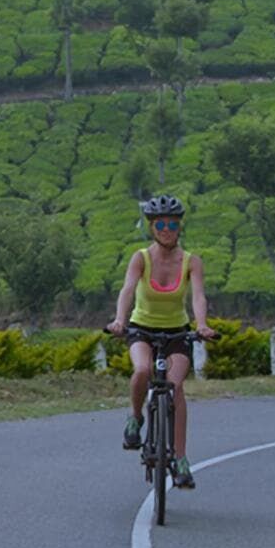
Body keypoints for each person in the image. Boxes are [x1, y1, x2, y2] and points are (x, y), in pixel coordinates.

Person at [105, 194, 218, 488]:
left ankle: (180, 459)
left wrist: (202, 325)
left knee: (175, 386)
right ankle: (135, 417)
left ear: (179, 227)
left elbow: (198, 297)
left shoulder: (191, 261)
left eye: (172, 224)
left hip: (177, 332)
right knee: (142, 370)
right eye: (160, 224)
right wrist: (119, 320)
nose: (167, 230)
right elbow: (127, 290)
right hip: (142, 328)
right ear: (152, 227)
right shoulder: (141, 258)